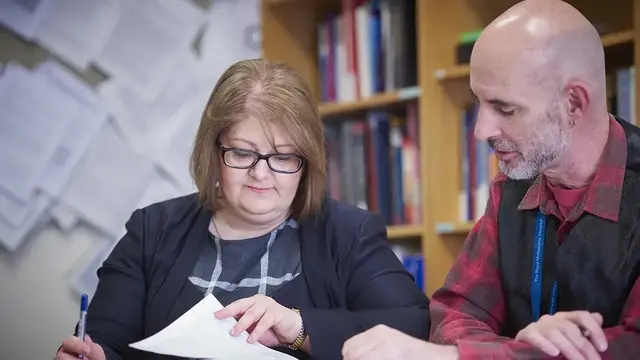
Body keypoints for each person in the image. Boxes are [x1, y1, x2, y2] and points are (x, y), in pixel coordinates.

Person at [54, 59, 430, 360]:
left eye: (283, 156)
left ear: (309, 159)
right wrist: (93, 354)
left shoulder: (348, 233)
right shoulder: (153, 230)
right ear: (213, 151)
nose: (260, 173)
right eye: (243, 152)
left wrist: (299, 329)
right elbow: (107, 342)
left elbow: (413, 327)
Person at [341, 0, 640, 359]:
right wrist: (521, 350)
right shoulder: (511, 187)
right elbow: (453, 315)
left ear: (574, 103)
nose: (481, 131)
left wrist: (462, 357)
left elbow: (630, 347)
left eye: (505, 108)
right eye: (479, 103)